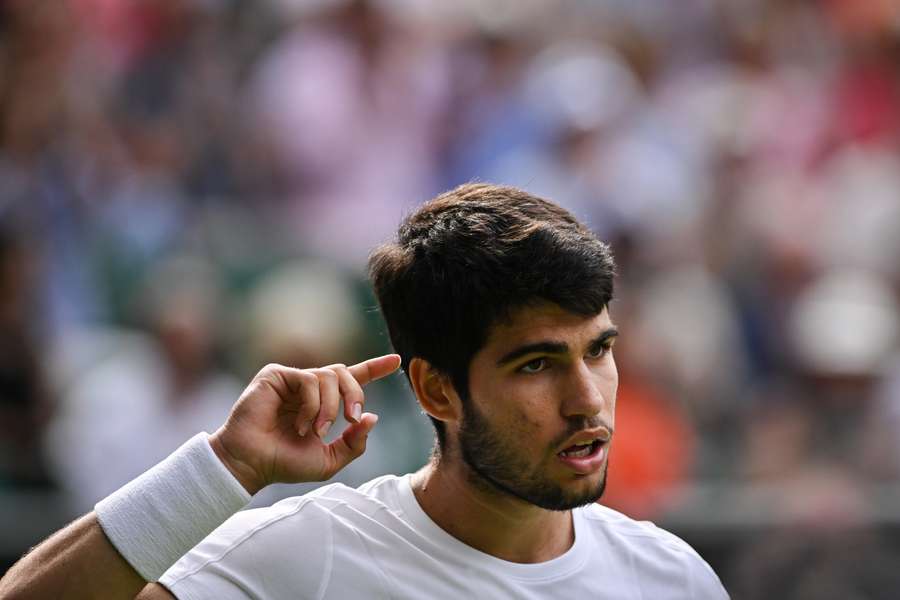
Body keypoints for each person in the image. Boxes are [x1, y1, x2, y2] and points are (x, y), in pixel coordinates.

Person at [0, 184, 729, 599]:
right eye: (536, 365)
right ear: (436, 392)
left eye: (599, 350)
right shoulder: (306, 555)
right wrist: (221, 469)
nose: (589, 400)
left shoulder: (672, 580)